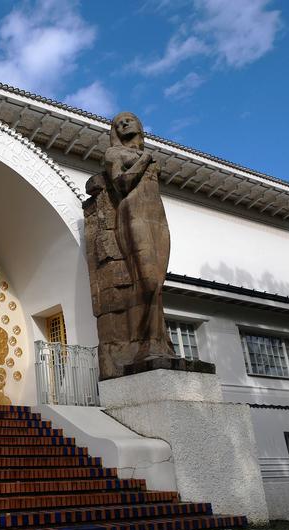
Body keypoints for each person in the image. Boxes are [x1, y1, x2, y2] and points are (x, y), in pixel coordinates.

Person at [103, 112, 175, 361]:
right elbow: (121, 184)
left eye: (128, 119)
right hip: (133, 214)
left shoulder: (148, 157)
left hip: (158, 217)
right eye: (118, 123)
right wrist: (144, 160)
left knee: (158, 283)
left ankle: (159, 342)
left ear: (139, 125)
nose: (123, 123)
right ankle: (142, 344)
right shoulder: (114, 154)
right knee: (146, 281)